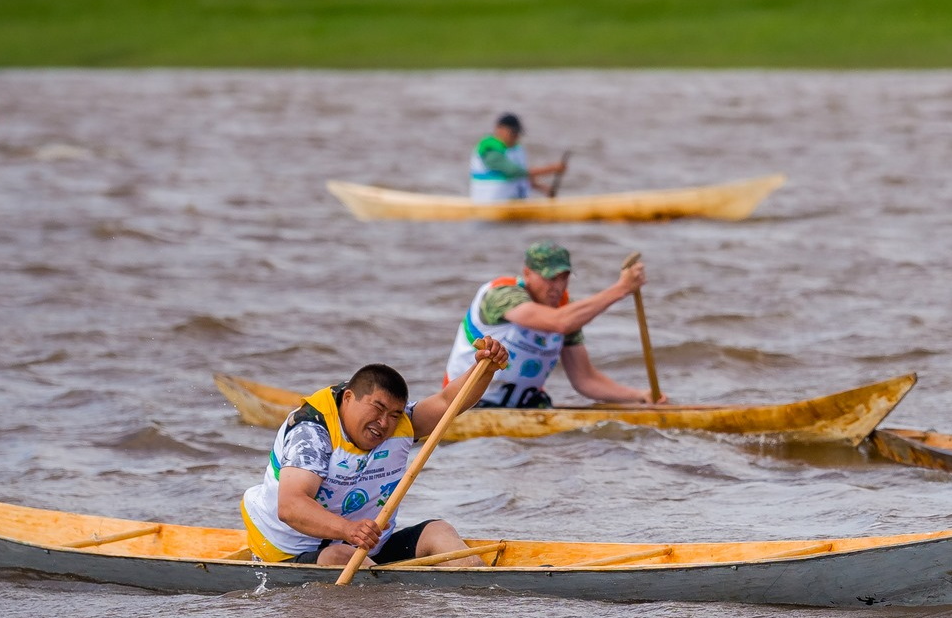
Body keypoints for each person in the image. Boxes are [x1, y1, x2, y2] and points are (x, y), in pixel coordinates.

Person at [240, 339, 508, 566]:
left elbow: (449, 401)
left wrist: (485, 367)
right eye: (377, 409)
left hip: (367, 547)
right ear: (348, 398)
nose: (384, 423)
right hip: (290, 552)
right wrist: (348, 530)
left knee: (438, 531)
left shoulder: (399, 424)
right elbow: (291, 506)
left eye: (393, 414)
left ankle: (482, 595)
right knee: (341, 554)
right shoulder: (311, 433)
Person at [445, 240, 667, 408]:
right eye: (550, 278)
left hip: (525, 409)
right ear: (527, 274)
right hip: (465, 406)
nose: (558, 287)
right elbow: (558, 323)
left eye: (564, 277)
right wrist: (621, 289)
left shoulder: (567, 310)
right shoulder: (500, 294)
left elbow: (585, 379)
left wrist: (640, 396)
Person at [469, 112, 566, 201]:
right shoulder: (490, 149)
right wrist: (552, 169)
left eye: (517, 133)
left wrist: (543, 189)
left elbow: (523, 177)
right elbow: (514, 172)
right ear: (499, 129)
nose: (516, 136)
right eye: (513, 133)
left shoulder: (515, 149)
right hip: (490, 203)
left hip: (514, 203)